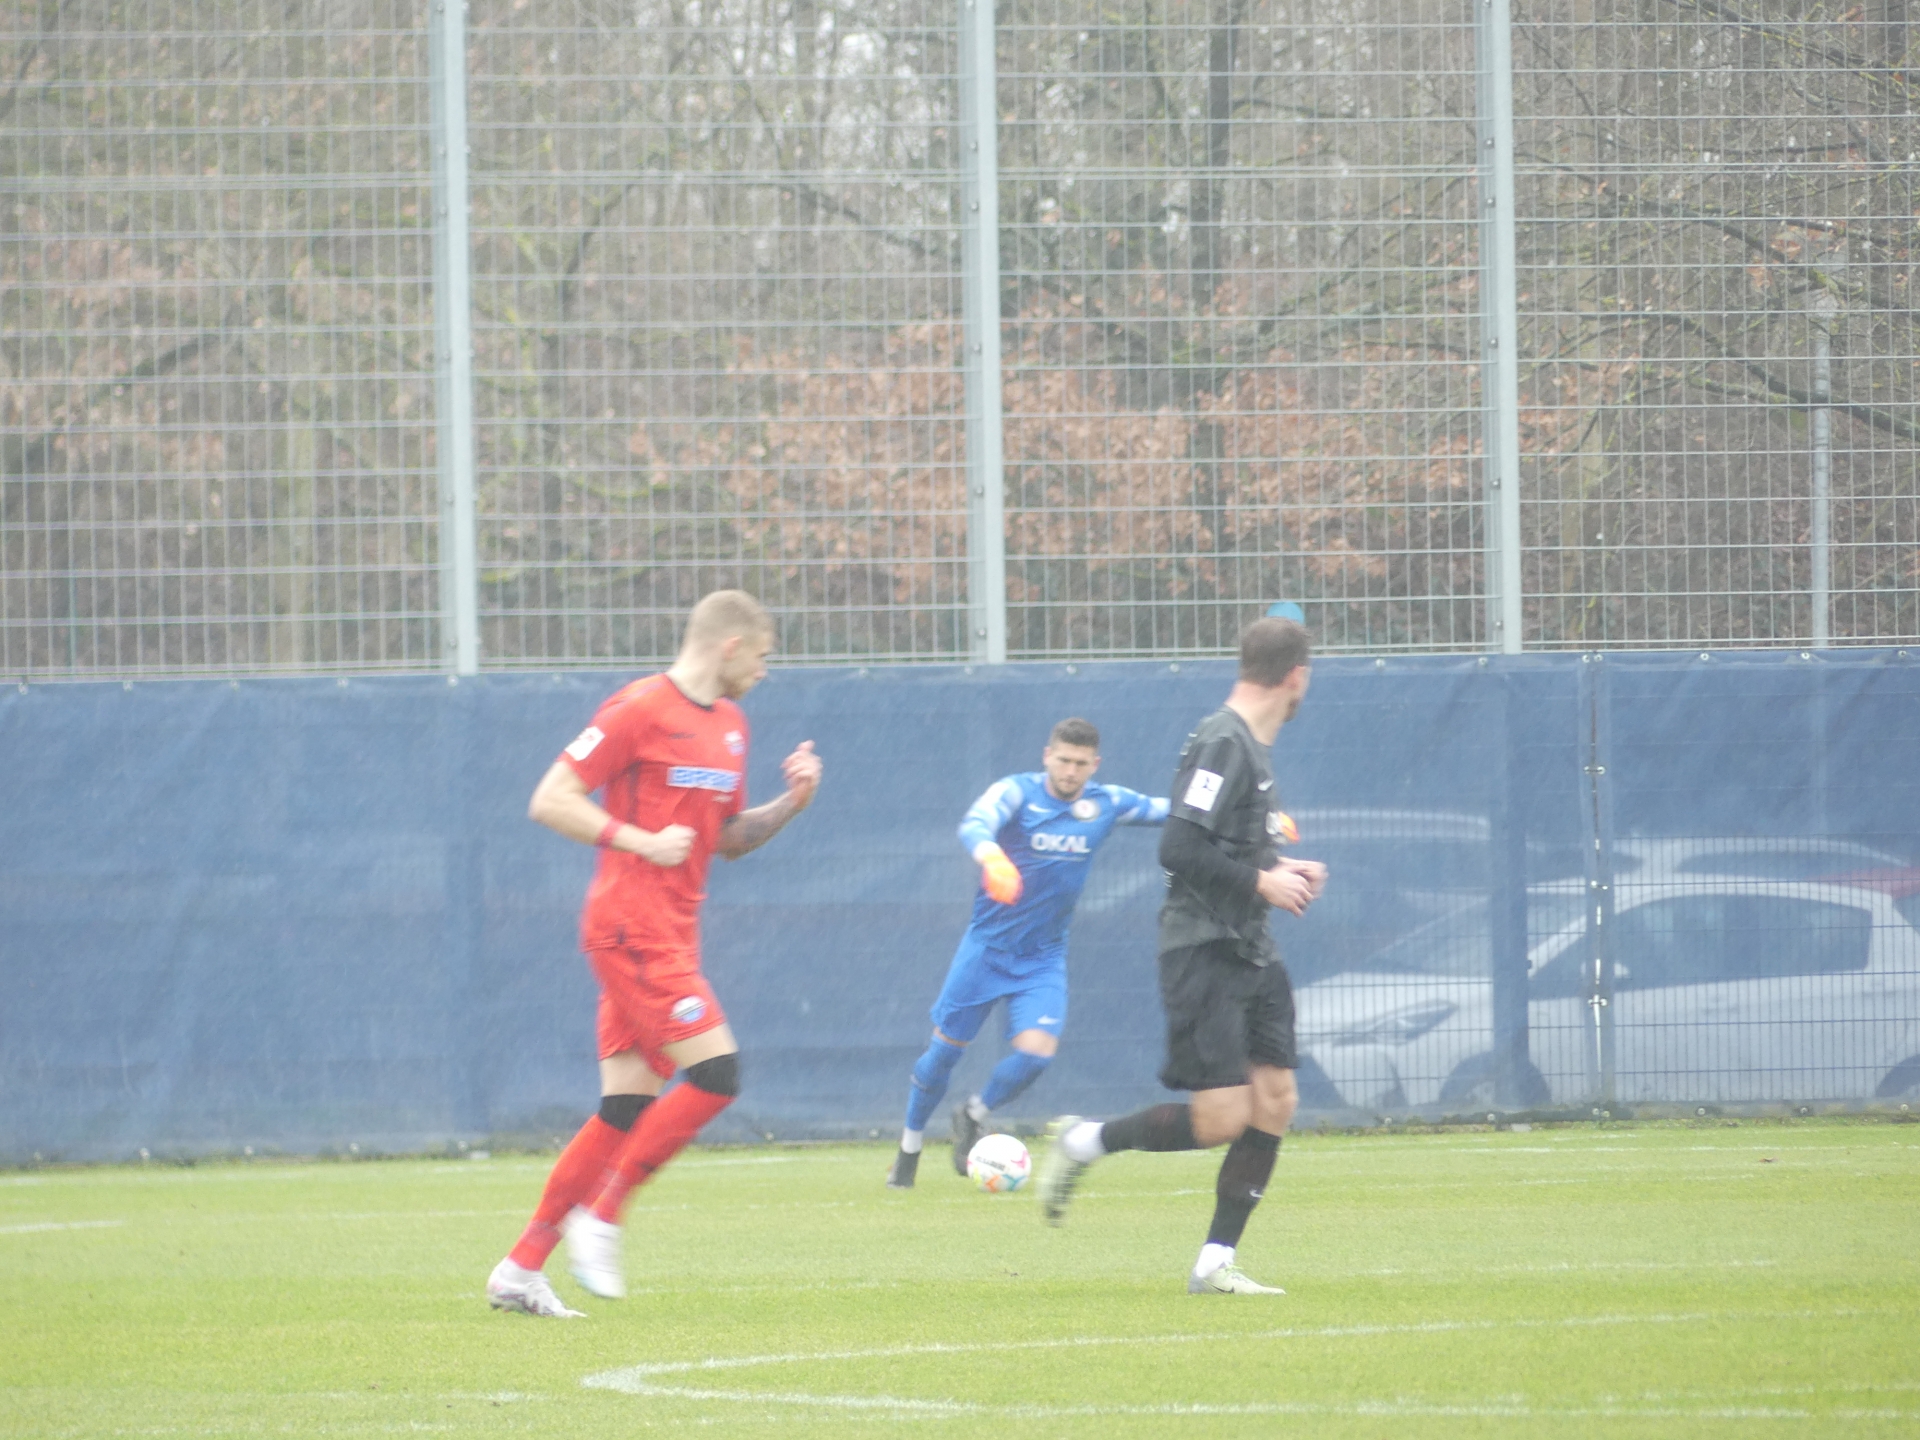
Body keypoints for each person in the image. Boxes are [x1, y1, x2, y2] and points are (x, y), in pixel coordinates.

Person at [485, 590, 823, 1317]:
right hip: (629, 926)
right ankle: (603, 1216)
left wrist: (791, 802)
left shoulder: (730, 726)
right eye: (762, 656)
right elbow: (550, 798)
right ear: (730, 645)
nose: (764, 671)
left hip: (671, 931)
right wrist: (639, 840)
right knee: (717, 1073)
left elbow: (726, 838)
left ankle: (520, 1268)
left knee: (624, 1108)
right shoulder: (639, 708)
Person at [1033, 617, 1326, 1295]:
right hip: (1204, 949)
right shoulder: (1223, 741)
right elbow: (1179, 847)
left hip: (1252, 948)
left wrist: (1281, 868)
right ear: (1296, 677)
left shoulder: (1252, 747)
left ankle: (1214, 1262)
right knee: (1222, 1119)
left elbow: (1230, 850)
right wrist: (1261, 882)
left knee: (1276, 1100)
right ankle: (1085, 1141)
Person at [886, 717, 1168, 1189]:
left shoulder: (1107, 803)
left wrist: (1254, 818)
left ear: (1095, 765)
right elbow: (976, 822)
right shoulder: (1017, 792)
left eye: (1081, 764)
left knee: (1036, 1055)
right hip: (985, 953)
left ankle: (973, 1114)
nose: (1071, 771)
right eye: (1064, 760)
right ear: (1047, 756)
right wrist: (992, 857)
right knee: (940, 1058)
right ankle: (908, 1150)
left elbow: (1175, 811)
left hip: (1042, 959)